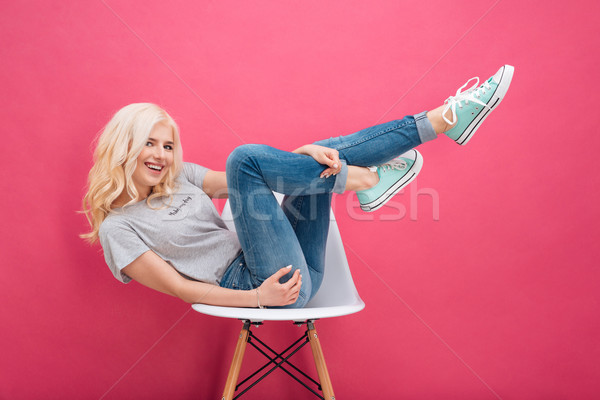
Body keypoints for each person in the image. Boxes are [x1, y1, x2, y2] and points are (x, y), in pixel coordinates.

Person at [82, 65, 514, 308]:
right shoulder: (117, 229)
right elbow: (179, 288)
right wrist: (256, 297)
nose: (160, 155)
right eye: (149, 145)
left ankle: (434, 125)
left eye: (168, 145)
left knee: (316, 154)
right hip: (260, 283)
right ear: (125, 148)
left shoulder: (182, 178)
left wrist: (303, 153)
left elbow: (259, 179)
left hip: (296, 265)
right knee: (245, 157)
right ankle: (380, 166)